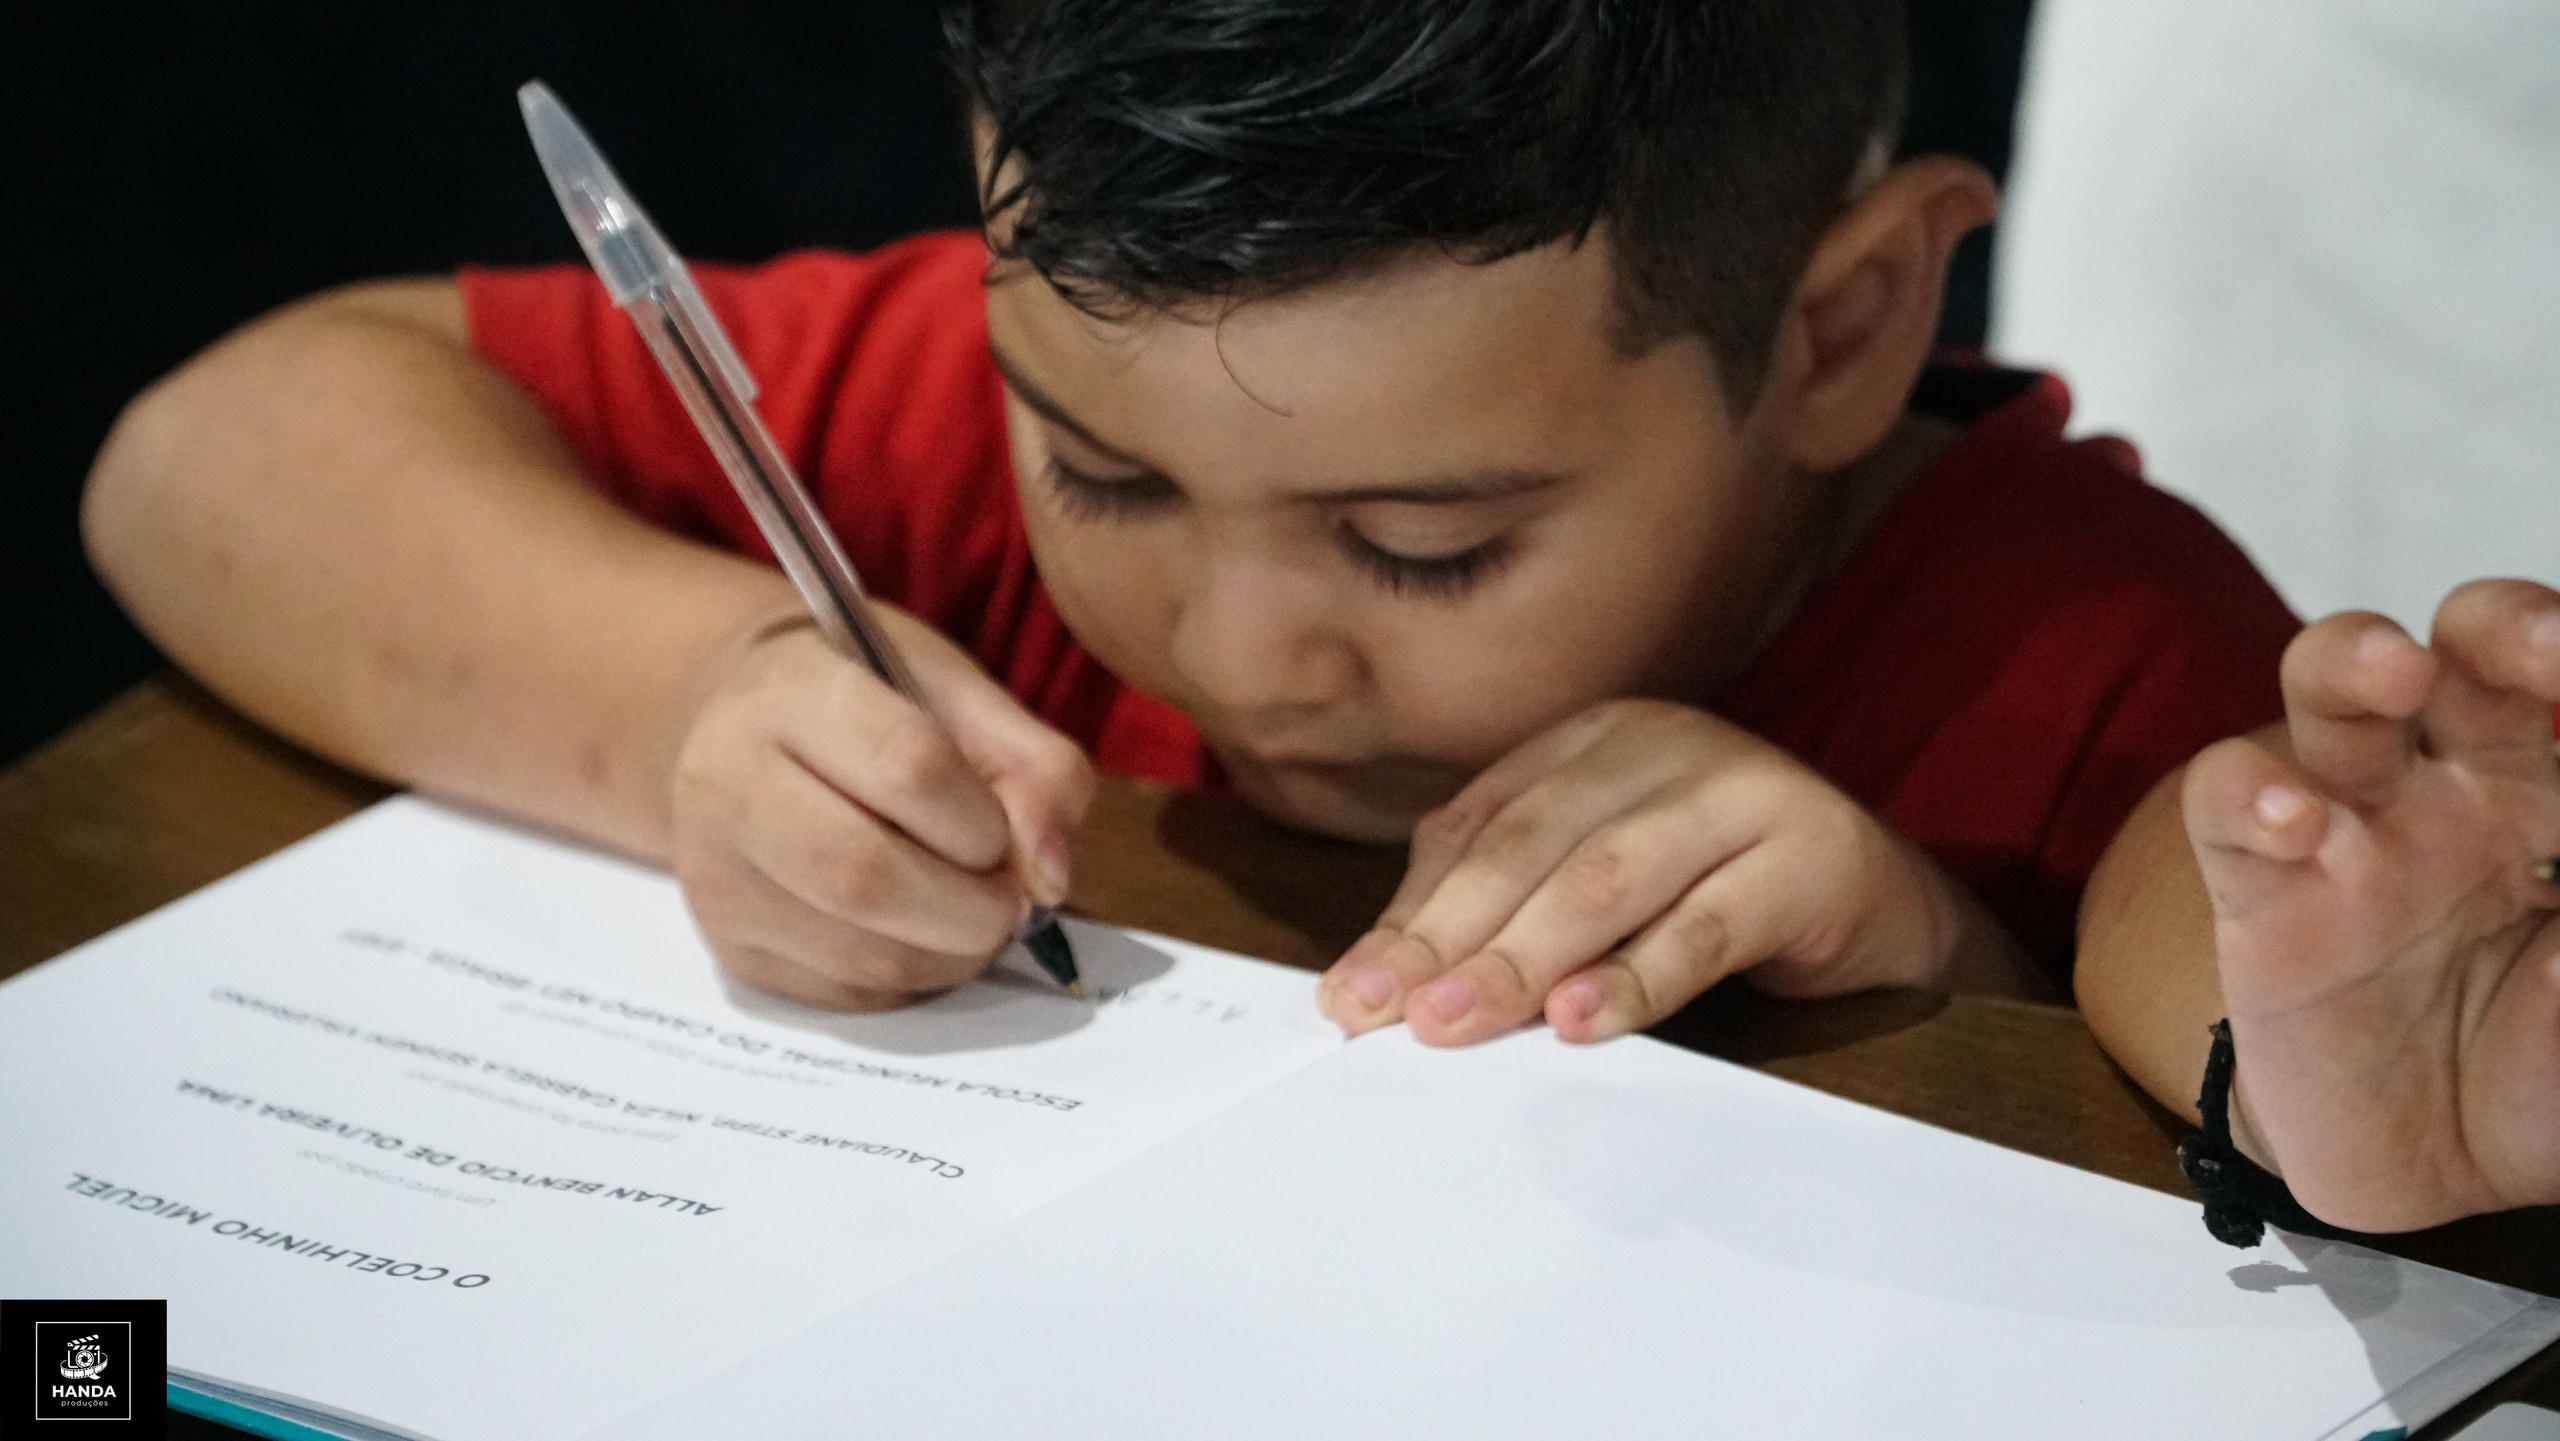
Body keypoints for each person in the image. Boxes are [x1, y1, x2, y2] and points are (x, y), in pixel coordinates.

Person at [80, 0, 2560, 1237]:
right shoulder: (994, 400)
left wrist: (2066, 984)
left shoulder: (2042, 617)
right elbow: (217, 449)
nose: (1231, 641)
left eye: (1421, 544)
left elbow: (2214, 899)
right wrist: (687, 692)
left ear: (1832, 331)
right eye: (1103, 471)